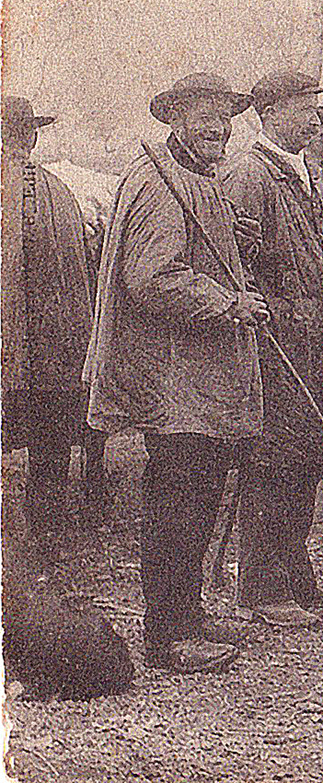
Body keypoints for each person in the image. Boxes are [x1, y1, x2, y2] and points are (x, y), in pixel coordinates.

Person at [85, 73, 268, 674]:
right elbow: (152, 280)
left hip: (200, 383)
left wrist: (231, 233)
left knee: (197, 495)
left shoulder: (195, 178)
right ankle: (167, 634)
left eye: (224, 116)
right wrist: (229, 302)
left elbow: (186, 252)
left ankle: (184, 613)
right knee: (178, 500)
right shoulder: (159, 183)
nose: (216, 128)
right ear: (174, 121)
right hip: (174, 381)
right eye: (202, 117)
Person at [222, 71, 323, 629]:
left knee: (306, 455)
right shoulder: (250, 173)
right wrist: (273, 312)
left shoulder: (298, 172)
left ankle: (295, 578)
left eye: (314, 107)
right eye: (304, 108)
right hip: (279, 339)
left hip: (315, 333)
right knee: (274, 460)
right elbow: (236, 263)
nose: (314, 119)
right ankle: (260, 588)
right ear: (269, 112)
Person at [1, 98, 104, 532]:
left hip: (21, 347)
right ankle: (47, 534)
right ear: (33, 135)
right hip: (55, 352)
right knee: (49, 449)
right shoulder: (59, 190)